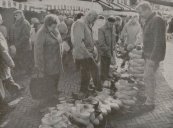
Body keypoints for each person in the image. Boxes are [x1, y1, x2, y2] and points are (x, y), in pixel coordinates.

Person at [136, 1, 166, 112]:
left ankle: (150, 103)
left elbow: (159, 41)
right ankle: (150, 97)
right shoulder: (149, 20)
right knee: (150, 78)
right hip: (148, 54)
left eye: (141, 12)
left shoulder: (157, 20)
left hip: (152, 56)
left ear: (147, 10)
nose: (140, 15)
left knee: (148, 78)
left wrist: (153, 58)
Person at [71, 10, 103, 99]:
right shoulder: (80, 23)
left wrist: (93, 49)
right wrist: (87, 53)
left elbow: (89, 39)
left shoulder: (87, 24)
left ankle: (83, 92)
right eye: (94, 18)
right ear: (89, 15)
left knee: (86, 73)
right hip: (83, 54)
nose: (95, 20)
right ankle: (99, 90)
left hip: (87, 53)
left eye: (96, 18)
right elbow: (79, 42)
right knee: (94, 69)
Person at [34, 14, 62, 98]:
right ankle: (49, 96)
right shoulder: (41, 33)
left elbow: (59, 41)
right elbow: (38, 51)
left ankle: (55, 90)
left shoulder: (55, 29)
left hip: (56, 60)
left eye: (56, 26)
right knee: (49, 79)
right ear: (47, 25)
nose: (55, 28)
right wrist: (40, 66)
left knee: (56, 76)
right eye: (53, 27)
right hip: (48, 62)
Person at [0, 32, 24, 99]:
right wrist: (10, 62)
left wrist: (10, 62)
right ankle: (16, 90)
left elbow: (3, 50)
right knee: (6, 78)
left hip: (2, 62)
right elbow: (3, 50)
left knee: (6, 78)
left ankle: (16, 89)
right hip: (2, 62)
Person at [9, 10, 32, 74]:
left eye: (17, 15)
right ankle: (24, 72)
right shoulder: (17, 23)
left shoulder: (25, 23)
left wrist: (17, 44)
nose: (15, 16)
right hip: (19, 45)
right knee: (21, 59)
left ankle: (27, 74)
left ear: (21, 15)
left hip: (24, 46)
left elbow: (26, 36)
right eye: (15, 15)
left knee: (25, 60)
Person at [98, 16, 116, 81]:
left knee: (108, 64)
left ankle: (107, 74)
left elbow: (113, 39)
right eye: (110, 24)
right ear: (107, 22)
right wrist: (106, 49)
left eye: (113, 24)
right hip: (104, 51)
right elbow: (101, 42)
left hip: (110, 50)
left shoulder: (112, 28)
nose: (111, 26)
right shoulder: (101, 29)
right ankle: (103, 77)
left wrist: (113, 48)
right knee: (103, 65)